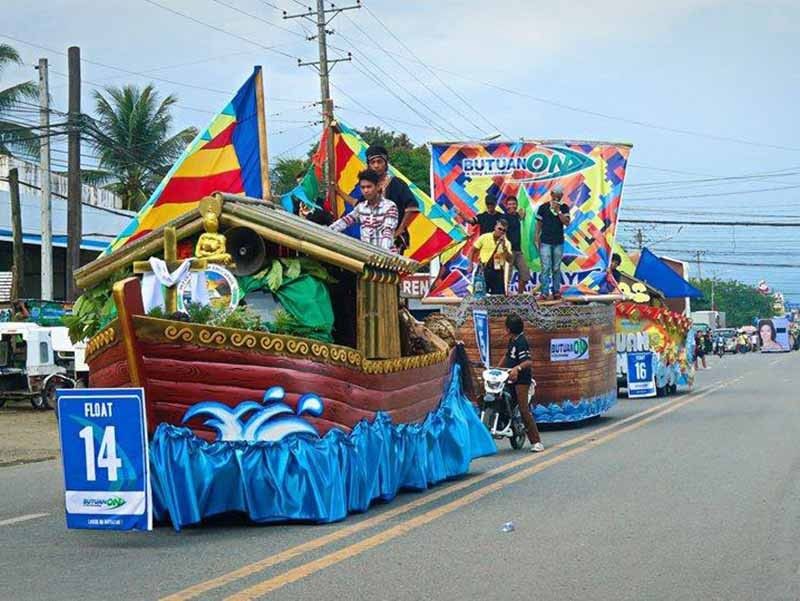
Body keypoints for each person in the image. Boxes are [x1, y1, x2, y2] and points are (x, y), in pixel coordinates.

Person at [499, 313, 544, 452]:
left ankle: (536, 442)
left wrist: (517, 368)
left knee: (524, 410)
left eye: (505, 327)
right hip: (509, 378)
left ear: (508, 329)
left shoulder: (521, 341)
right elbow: (507, 356)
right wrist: (496, 369)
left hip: (522, 380)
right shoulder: (512, 340)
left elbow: (528, 361)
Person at [365, 145, 420, 254]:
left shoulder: (396, 183)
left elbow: (412, 207)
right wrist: (339, 191)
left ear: (385, 164)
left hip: (392, 240)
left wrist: (400, 229)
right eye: (373, 162)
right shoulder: (369, 187)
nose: (376, 165)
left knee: (388, 269)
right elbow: (358, 206)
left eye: (379, 162)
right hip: (373, 239)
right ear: (369, 166)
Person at [330, 169, 398, 251]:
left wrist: (383, 252)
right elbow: (345, 221)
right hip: (367, 255)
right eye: (363, 187)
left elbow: (388, 231)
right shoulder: (361, 207)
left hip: (386, 257)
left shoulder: (390, 207)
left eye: (369, 187)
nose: (366, 190)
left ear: (378, 186)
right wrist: (327, 231)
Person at [535, 186, 570, 300]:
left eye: (560, 195)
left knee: (556, 268)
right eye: (556, 194)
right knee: (545, 268)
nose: (558, 197)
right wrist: (536, 238)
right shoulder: (543, 207)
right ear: (551, 194)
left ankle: (556, 291)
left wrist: (558, 211)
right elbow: (539, 224)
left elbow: (567, 222)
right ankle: (544, 292)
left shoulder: (564, 207)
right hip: (545, 241)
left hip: (558, 242)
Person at [471, 219, 513, 295]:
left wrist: (504, 247)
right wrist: (470, 264)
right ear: (495, 227)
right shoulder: (485, 237)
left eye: (504, 231)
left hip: (497, 270)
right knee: (480, 295)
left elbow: (510, 259)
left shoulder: (507, 243)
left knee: (499, 297)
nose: (501, 232)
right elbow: (472, 250)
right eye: (499, 229)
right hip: (483, 269)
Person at [502, 196, 531, 294]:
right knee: (506, 277)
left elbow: (522, 215)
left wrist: (522, 214)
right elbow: (502, 233)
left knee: (525, 273)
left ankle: (519, 295)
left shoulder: (517, 216)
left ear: (516, 205)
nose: (512, 206)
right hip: (508, 252)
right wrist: (505, 249)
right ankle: (505, 296)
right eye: (509, 204)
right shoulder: (504, 218)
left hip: (518, 251)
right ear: (506, 206)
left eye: (514, 204)